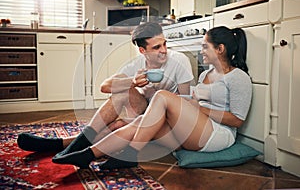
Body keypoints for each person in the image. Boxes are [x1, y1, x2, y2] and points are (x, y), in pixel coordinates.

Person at [50, 26, 253, 169]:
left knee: (163, 97)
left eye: (205, 46)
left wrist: (196, 108)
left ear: (220, 49)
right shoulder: (205, 75)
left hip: (218, 136)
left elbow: (237, 120)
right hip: (194, 131)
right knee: (139, 122)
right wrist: (188, 104)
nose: (201, 52)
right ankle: (88, 155)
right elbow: (194, 104)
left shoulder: (238, 77)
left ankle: (130, 155)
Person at [17, 22, 194, 157]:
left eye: (164, 44)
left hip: (165, 117)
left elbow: (185, 102)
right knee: (121, 89)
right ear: (143, 50)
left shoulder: (180, 61)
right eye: (156, 47)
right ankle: (76, 144)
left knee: (117, 125)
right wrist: (132, 82)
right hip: (142, 111)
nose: (164, 51)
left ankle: (62, 145)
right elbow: (104, 86)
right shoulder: (137, 65)